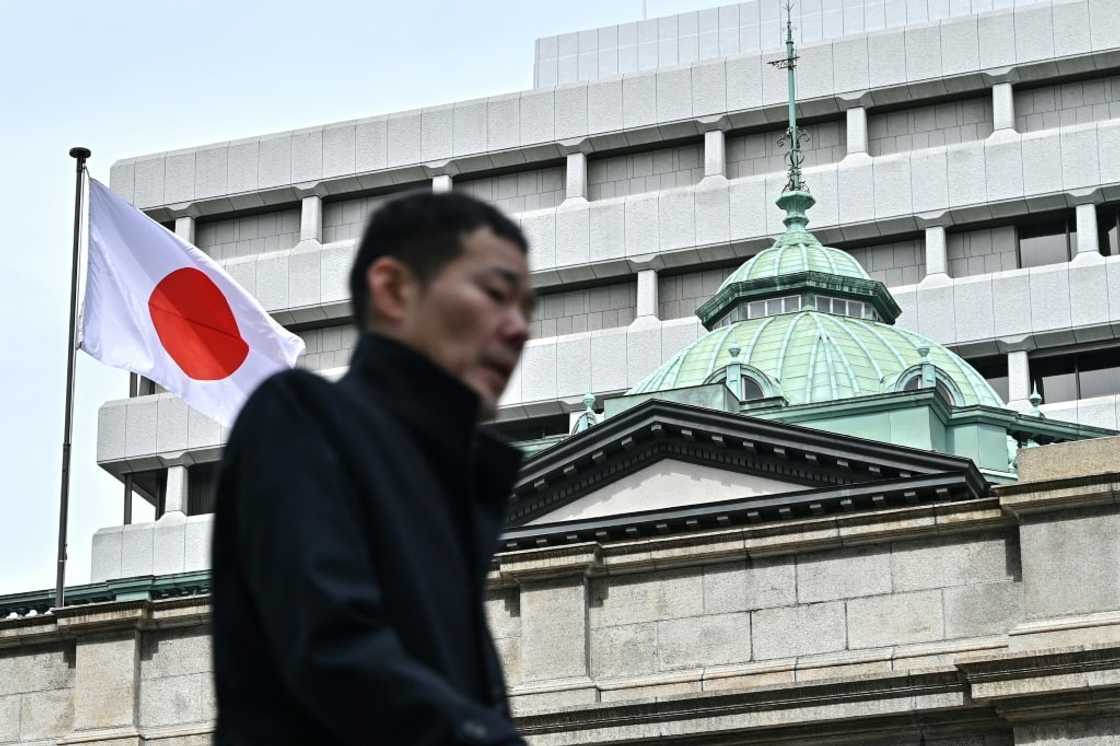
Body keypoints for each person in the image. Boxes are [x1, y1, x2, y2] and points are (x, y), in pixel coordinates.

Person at [211, 191, 535, 745]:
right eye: (496, 294)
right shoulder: (301, 417)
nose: (519, 328)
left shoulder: (449, 486)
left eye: (527, 310)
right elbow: (333, 646)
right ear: (393, 289)